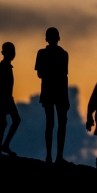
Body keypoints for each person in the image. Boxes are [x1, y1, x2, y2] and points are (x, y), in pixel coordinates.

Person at [35, 27, 70, 164]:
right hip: (57, 92)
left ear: (46, 39)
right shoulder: (62, 54)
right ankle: (55, 157)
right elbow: (63, 76)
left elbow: (40, 74)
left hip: (51, 91)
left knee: (53, 123)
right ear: (58, 38)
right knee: (58, 123)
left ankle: (52, 157)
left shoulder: (43, 53)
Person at [0, 42, 21, 156]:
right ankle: (1, 148)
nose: (12, 54)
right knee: (7, 122)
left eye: (13, 52)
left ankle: (3, 147)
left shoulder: (6, 65)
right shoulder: (3, 65)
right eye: (10, 52)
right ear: (4, 53)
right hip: (2, 97)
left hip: (6, 97)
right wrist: (2, 90)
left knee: (11, 121)